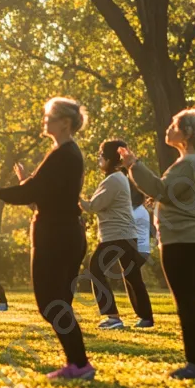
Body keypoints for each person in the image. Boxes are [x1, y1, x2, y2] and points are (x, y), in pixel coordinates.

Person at [0, 97, 95, 381]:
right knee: (57, 302)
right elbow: (37, 188)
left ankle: (79, 363)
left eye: (49, 117)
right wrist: (6, 188)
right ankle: (77, 363)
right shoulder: (63, 152)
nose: (45, 121)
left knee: (51, 302)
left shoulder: (65, 154)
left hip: (57, 235)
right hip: (62, 233)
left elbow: (32, 192)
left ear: (64, 123)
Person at [121, 109, 195, 380]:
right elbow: (170, 194)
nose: (168, 128)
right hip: (186, 239)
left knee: (186, 302)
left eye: (174, 124)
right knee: (187, 301)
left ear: (187, 133)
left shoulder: (189, 162)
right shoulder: (192, 162)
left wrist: (133, 164)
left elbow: (161, 189)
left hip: (182, 240)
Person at [80, 139, 155, 330]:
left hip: (116, 236)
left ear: (108, 159)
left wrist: (75, 196)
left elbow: (93, 206)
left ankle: (112, 317)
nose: (98, 159)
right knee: (132, 276)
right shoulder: (120, 178)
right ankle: (146, 317)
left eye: (100, 155)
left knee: (96, 269)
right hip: (126, 235)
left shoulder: (112, 179)